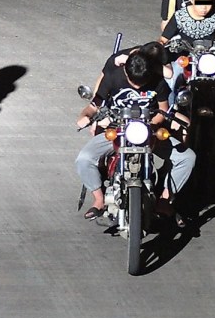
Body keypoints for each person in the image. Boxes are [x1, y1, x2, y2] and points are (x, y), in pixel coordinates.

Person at [75, 48, 194, 223]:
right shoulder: (113, 77)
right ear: (125, 71)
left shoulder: (158, 81)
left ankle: (164, 199)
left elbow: (162, 110)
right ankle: (99, 199)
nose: (138, 87)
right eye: (133, 83)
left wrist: (153, 123)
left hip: (148, 131)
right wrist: (84, 116)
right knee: (84, 159)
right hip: (117, 129)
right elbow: (94, 105)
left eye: (142, 83)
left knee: (187, 158)